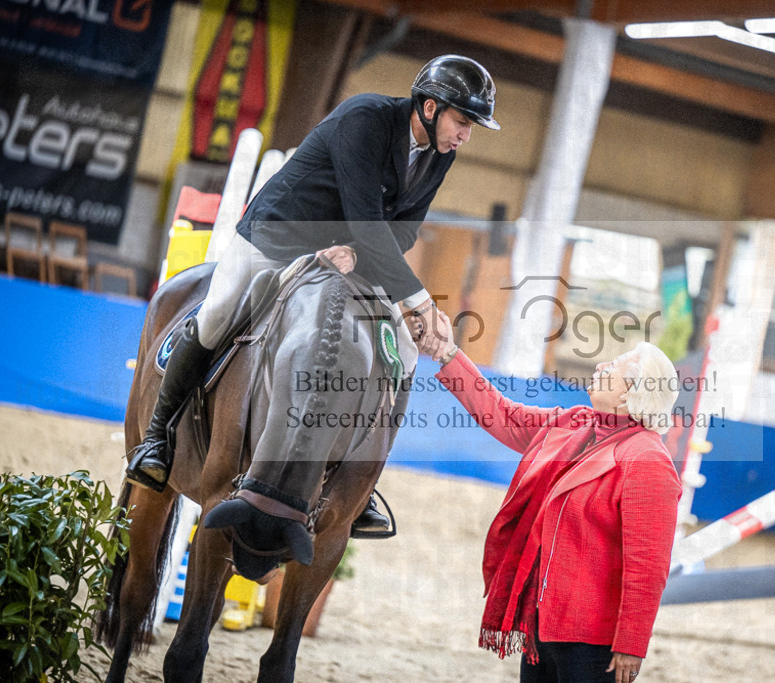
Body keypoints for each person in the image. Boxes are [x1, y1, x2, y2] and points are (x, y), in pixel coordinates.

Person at [126, 55, 500, 536]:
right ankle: (156, 438)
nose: (465, 135)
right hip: (279, 236)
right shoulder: (365, 120)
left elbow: (404, 232)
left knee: (404, 346)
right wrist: (419, 299)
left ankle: (360, 481)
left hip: (349, 254)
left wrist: (362, 263)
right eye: (462, 121)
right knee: (219, 311)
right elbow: (368, 219)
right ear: (429, 107)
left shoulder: (439, 155)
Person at [430, 312, 681, 683]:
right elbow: (503, 415)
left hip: (593, 642)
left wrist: (632, 642)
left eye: (614, 364)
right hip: (540, 624)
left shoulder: (648, 461)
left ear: (630, 392)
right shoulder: (575, 422)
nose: (601, 365)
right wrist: (446, 352)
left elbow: (648, 566)